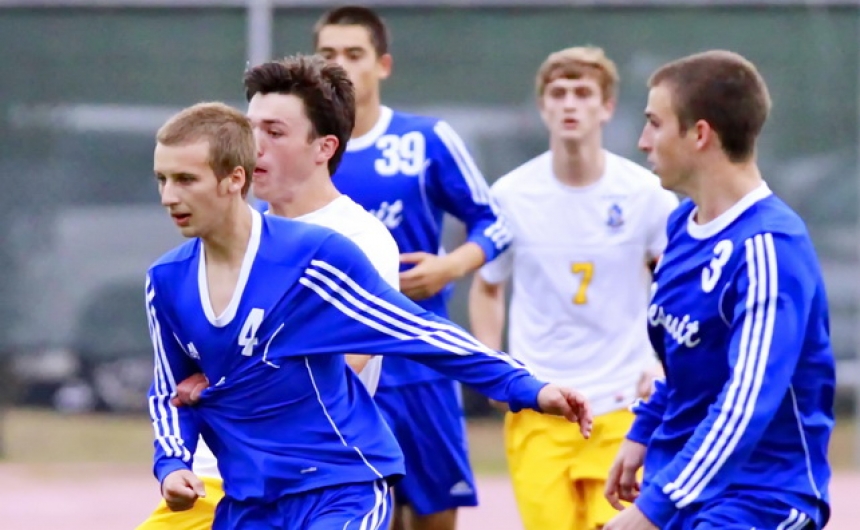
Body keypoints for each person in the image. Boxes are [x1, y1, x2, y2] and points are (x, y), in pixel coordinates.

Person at [145, 97, 592, 529]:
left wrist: (526, 387)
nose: (168, 196)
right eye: (162, 179)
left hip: (338, 489)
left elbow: (418, 331)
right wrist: (172, 464)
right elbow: (169, 393)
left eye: (185, 180)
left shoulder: (309, 258)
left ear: (233, 179)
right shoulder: (166, 281)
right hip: (249, 502)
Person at [136, 55, 400, 530]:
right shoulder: (232, 233)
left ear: (324, 148)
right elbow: (180, 374)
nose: (254, 145)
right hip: (218, 479)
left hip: (310, 482)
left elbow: (339, 365)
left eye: (274, 132)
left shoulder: (359, 241)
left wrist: (221, 382)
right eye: (249, 126)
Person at [603, 50, 834, 530]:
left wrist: (653, 509)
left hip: (759, 498)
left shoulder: (769, 248)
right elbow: (685, 360)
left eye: (654, 124)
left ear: (700, 134)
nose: (643, 141)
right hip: (680, 486)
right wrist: (643, 431)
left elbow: (746, 403)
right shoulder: (682, 227)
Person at [313, 7, 512, 529]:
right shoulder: (301, 152)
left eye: (353, 54)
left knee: (434, 512)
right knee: (354, 510)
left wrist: (450, 266)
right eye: (328, 54)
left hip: (420, 365)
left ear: (382, 65)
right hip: (339, 369)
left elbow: (495, 223)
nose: (340, 65)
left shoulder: (425, 140)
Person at [467, 46, 677, 530]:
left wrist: (659, 363)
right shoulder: (510, 195)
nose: (569, 104)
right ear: (542, 107)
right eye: (558, 93)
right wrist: (493, 367)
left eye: (583, 93)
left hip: (623, 404)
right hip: (541, 403)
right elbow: (488, 286)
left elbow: (673, 285)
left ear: (606, 107)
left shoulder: (645, 193)